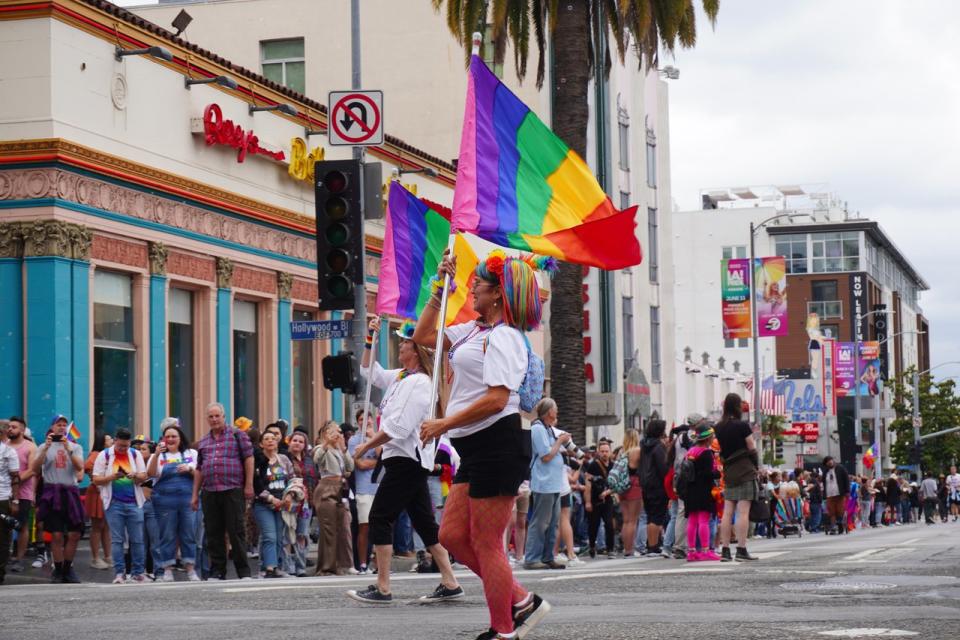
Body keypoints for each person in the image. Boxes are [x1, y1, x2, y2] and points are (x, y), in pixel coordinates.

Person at [417, 249, 553, 640]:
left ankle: (504, 629)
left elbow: (497, 399)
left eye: (479, 283)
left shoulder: (506, 337)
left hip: (500, 442)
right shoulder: (475, 331)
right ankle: (521, 600)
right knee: (452, 536)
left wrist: (444, 422)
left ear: (497, 294)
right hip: (476, 447)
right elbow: (425, 337)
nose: (472, 288)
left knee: (487, 542)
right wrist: (439, 289)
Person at [347, 318, 463, 604]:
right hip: (403, 459)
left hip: (406, 460)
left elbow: (398, 427)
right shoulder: (402, 377)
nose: (400, 345)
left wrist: (366, 447)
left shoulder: (420, 383)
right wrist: (370, 338)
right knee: (424, 523)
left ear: (418, 350)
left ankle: (383, 587)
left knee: (379, 517)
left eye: (405, 342)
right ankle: (450, 581)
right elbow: (368, 371)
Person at [192, 402, 255, 580]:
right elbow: (199, 469)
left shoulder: (237, 435)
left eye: (217, 416)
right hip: (210, 491)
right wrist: (194, 495)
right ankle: (218, 571)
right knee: (213, 533)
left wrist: (248, 485)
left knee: (236, 531)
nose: (214, 419)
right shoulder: (203, 441)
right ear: (207, 419)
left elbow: (249, 458)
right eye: (210, 416)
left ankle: (243, 572)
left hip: (233, 488)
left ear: (224, 417)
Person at [31, 415, 85, 583]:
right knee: (56, 535)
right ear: (52, 428)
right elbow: (34, 468)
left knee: (74, 533)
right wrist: (46, 448)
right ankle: (58, 569)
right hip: (52, 491)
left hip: (70, 491)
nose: (61, 427)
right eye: (58, 425)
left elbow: (79, 467)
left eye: (64, 425)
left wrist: (68, 448)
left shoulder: (75, 447)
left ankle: (68, 569)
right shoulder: (43, 446)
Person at [92, 428, 148, 583]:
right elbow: (96, 479)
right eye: (120, 446)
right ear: (115, 441)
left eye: (125, 446)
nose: (123, 449)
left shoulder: (135, 454)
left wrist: (135, 475)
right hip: (114, 503)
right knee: (117, 540)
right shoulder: (105, 455)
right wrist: (112, 477)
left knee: (137, 539)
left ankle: (137, 572)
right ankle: (119, 573)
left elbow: (144, 476)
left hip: (134, 503)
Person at [147, 419, 200, 582]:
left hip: (187, 500)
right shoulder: (158, 456)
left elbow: (200, 474)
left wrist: (189, 469)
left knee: (189, 534)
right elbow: (151, 473)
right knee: (167, 535)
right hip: (164, 501)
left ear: (180, 438)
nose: (170, 439)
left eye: (173, 436)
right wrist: (155, 455)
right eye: (167, 436)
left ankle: (190, 568)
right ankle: (167, 569)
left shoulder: (191, 454)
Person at [714, 393, 759, 562]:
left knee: (727, 512)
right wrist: (756, 466)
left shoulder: (718, 427)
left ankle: (725, 550)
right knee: (743, 512)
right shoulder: (742, 426)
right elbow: (751, 447)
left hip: (729, 472)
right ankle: (741, 548)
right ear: (737, 407)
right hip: (745, 470)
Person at [313, 421, 354, 575]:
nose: (338, 434)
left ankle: (342, 564)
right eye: (334, 431)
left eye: (339, 431)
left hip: (340, 488)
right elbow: (317, 459)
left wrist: (344, 449)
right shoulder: (321, 448)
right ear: (326, 433)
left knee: (343, 527)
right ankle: (327, 567)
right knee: (329, 528)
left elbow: (350, 467)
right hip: (326, 487)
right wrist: (326, 443)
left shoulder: (339, 450)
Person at [252, 430, 295, 578]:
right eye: (266, 439)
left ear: (277, 442)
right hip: (263, 504)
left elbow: (293, 479)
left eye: (273, 438)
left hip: (282, 503)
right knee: (269, 536)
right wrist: (271, 498)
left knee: (278, 537)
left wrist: (289, 495)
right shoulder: (258, 461)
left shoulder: (284, 459)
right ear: (261, 443)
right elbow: (255, 484)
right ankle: (269, 568)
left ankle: (275, 566)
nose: (270, 441)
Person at [347, 407, 380, 574]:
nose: (365, 422)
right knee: (364, 526)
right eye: (361, 419)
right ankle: (362, 563)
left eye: (367, 419)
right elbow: (358, 463)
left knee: (380, 526)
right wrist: (374, 462)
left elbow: (383, 458)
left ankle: (378, 563)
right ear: (357, 422)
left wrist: (373, 437)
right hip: (363, 488)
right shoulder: (354, 440)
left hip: (378, 487)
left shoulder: (379, 437)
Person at [684, 423, 722, 562]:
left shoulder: (690, 451)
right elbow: (707, 473)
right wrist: (717, 473)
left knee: (692, 521)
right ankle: (706, 550)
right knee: (704, 521)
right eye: (712, 436)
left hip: (690, 489)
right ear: (708, 438)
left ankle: (692, 551)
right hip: (704, 490)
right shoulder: (706, 453)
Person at [5, 417, 37, 574]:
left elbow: (32, 470)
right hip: (4, 493)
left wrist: (15, 481)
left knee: (21, 525)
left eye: (14, 427)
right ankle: (6, 555)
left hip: (24, 493)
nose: (10, 429)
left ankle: (19, 558)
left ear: (22, 430)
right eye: (9, 427)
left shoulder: (30, 447)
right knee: (5, 525)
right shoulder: (4, 446)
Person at [286, 430, 317, 576]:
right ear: (289, 442)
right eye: (295, 440)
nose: (297, 443)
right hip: (290, 502)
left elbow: (315, 479)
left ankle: (300, 566)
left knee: (302, 534)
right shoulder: (284, 458)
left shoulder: (309, 460)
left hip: (306, 503)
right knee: (288, 533)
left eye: (300, 441)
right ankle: (288, 565)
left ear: (305, 445)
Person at [638, 419, 670, 556]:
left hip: (646, 485)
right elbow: (663, 467)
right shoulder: (658, 447)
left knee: (651, 515)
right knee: (656, 517)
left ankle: (651, 544)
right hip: (657, 485)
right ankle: (653, 545)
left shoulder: (644, 445)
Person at [83, 431, 112, 570]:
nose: (111, 440)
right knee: (97, 526)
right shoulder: (95, 455)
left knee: (106, 526)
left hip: (106, 492)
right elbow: (87, 467)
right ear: (102, 441)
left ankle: (108, 556)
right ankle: (95, 558)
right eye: (108, 439)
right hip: (97, 492)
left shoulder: (109, 454)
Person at [584, 440, 615, 559]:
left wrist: (608, 492)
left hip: (607, 499)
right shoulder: (593, 465)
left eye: (606, 451)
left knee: (609, 524)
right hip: (594, 499)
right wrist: (587, 502)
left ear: (610, 451)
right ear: (598, 452)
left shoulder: (613, 465)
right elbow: (588, 485)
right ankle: (592, 546)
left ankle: (610, 548)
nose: (604, 453)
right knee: (594, 525)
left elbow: (615, 484)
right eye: (602, 451)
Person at [0, 420, 21, 584]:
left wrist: (15, 500)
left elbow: (15, 477)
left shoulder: (9, 452)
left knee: (2, 538)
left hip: (3, 498)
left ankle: (0, 572)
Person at [617, 428, 643, 558]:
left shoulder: (622, 452)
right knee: (633, 521)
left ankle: (626, 549)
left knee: (626, 520)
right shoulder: (637, 451)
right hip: (634, 484)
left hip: (622, 485)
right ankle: (630, 549)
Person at [822, 456, 851, 534]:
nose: (830, 462)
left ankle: (840, 524)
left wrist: (847, 491)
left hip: (840, 494)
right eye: (828, 462)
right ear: (826, 464)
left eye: (830, 460)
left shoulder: (840, 468)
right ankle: (833, 526)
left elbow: (846, 479)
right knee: (831, 512)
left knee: (840, 510)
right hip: (829, 494)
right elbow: (824, 483)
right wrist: (824, 494)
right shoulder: (825, 472)